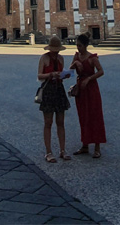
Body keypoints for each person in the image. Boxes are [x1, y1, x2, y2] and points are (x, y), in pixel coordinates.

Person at [69, 33, 106, 158]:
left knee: (95, 116)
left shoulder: (92, 58)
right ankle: (84, 145)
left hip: (91, 89)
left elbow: (101, 71)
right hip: (81, 89)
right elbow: (70, 72)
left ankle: (97, 147)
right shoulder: (76, 56)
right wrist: (74, 65)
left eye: (80, 46)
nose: (78, 48)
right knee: (83, 116)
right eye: (77, 45)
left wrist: (89, 79)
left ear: (85, 45)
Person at [37, 35, 71, 163]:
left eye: (57, 50)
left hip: (58, 89)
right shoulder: (44, 58)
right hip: (48, 90)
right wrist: (51, 74)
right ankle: (48, 152)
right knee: (48, 122)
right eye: (54, 49)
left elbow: (61, 74)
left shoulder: (61, 59)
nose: (56, 52)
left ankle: (63, 150)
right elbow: (39, 75)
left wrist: (64, 75)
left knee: (61, 122)